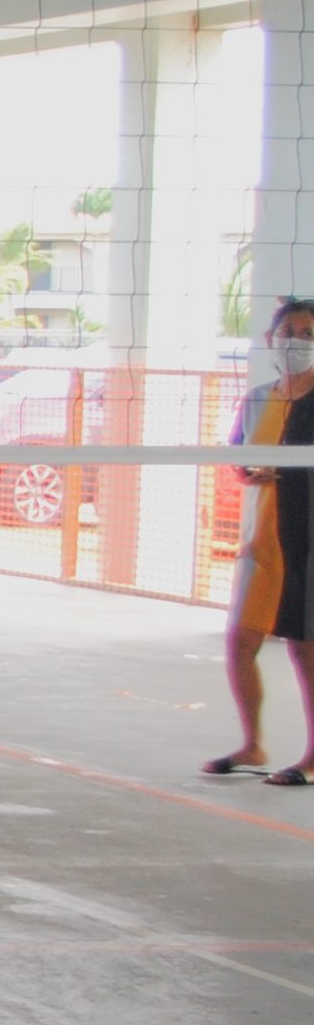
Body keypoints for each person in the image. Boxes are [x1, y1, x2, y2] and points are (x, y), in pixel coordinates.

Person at [211, 299, 314, 779]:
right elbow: (240, 453)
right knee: (239, 643)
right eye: (288, 331)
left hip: (305, 545)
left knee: (305, 648)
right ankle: (253, 746)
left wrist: (289, 474)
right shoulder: (257, 398)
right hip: (261, 545)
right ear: (271, 339)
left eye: (308, 334)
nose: (295, 341)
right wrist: (248, 469)